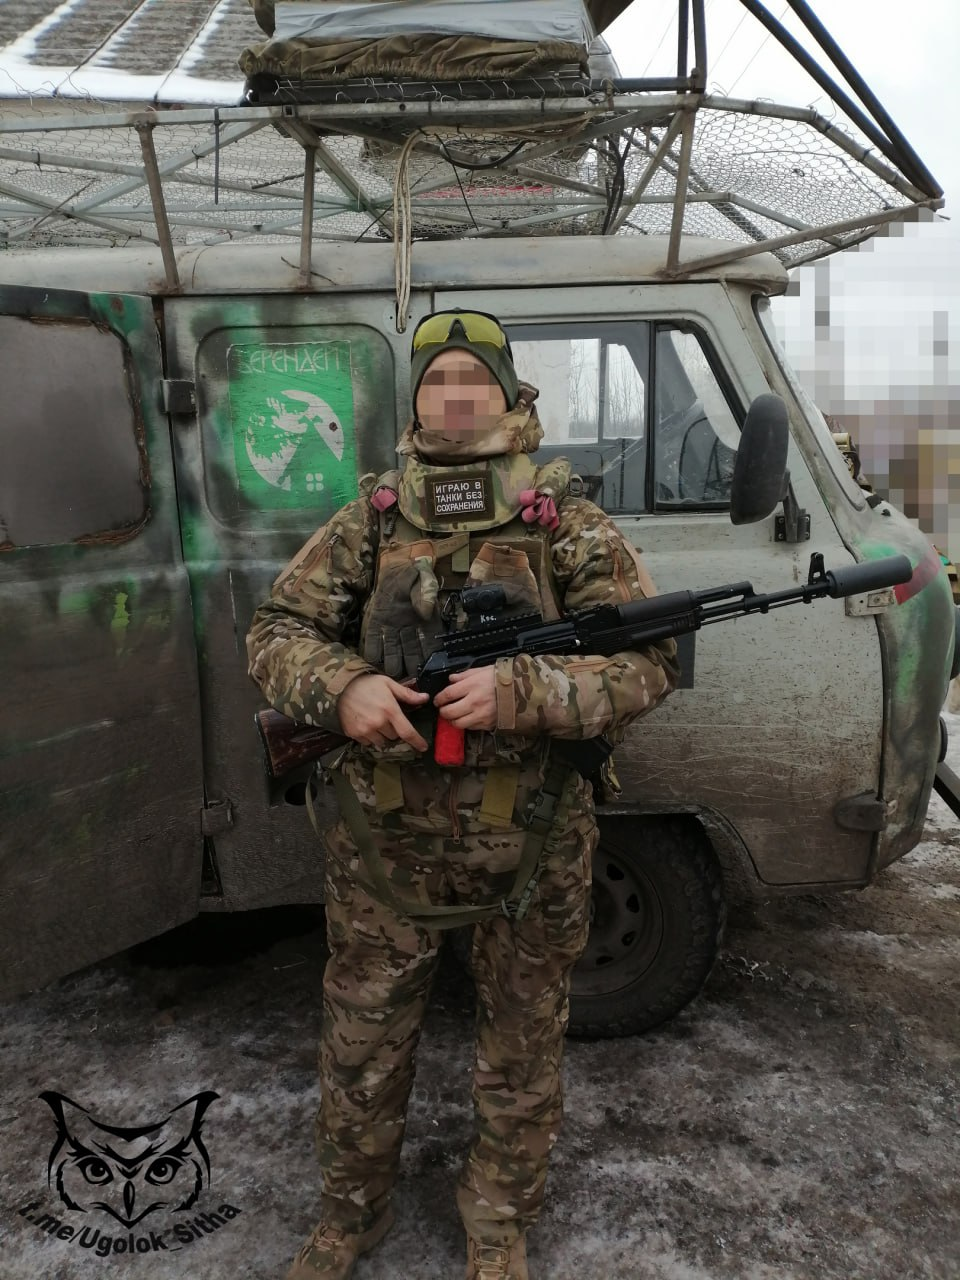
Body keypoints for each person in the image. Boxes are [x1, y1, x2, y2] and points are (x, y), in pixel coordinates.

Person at [245, 309, 678, 1280]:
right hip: (382, 843)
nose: (452, 396)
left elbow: (648, 661)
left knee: (522, 1044)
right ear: (417, 400)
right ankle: (349, 1218)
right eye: (435, 380)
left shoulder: (562, 517)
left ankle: (497, 1224)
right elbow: (275, 630)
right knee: (362, 1040)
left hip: (530, 840)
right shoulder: (373, 515)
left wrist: (524, 692)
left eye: (470, 379)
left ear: (505, 392)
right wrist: (344, 689)